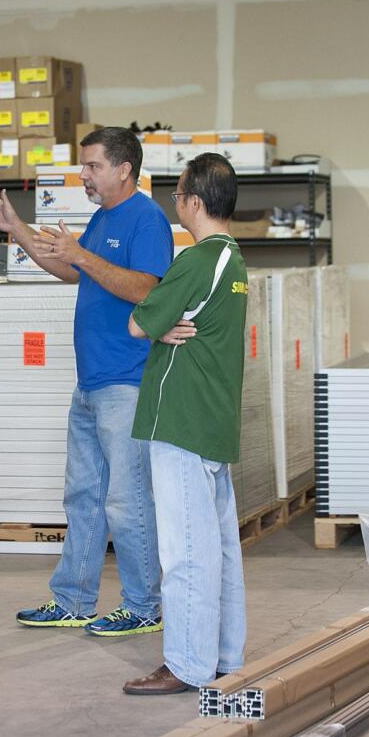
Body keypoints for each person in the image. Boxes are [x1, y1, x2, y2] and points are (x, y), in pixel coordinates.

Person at [0, 127, 172, 637]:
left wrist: (81, 254)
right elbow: (70, 271)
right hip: (91, 382)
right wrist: (16, 226)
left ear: (124, 169)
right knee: (84, 495)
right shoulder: (105, 216)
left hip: (126, 380)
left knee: (127, 500)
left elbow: (147, 288)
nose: (84, 175)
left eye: (93, 166)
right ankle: (75, 600)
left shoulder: (146, 219)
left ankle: (144, 605)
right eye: (83, 166)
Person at [122, 153, 248, 695]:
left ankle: (187, 665)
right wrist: (166, 321)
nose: (176, 206)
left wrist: (158, 322)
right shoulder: (235, 263)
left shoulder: (198, 261)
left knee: (185, 552)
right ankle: (223, 655)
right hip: (211, 420)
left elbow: (135, 323)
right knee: (218, 549)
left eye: (176, 197)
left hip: (181, 421)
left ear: (194, 201)